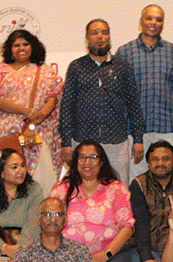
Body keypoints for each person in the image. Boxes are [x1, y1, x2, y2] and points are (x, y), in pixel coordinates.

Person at [61, 18, 145, 182]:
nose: (99, 36)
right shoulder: (76, 67)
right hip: (83, 141)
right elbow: (67, 106)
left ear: (109, 37)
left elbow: (134, 105)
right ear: (87, 38)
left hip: (116, 142)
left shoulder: (122, 66)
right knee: (83, 187)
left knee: (119, 189)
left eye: (104, 32)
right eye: (94, 33)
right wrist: (66, 142)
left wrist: (138, 140)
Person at [0, 29, 64, 188]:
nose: (21, 48)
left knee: (42, 181)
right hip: (9, 135)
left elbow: (53, 98)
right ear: (10, 49)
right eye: (16, 45)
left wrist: (33, 124)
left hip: (39, 134)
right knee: (10, 179)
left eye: (25, 44)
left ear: (33, 46)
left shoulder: (45, 71)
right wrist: (26, 111)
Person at [117, 5, 173, 176]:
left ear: (163, 24)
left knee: (170, 177)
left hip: (167, 126)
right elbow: (120, 91)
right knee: (137, 179)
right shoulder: (124, 52)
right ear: (141, 21)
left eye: (158, 19)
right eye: (149, 18)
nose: (153, 22)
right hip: (135, 131)